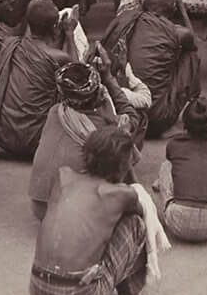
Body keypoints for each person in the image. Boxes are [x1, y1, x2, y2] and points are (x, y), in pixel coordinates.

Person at [30, 126, 152, 295]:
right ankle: (126, 292)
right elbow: (141, 210)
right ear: (123, 165)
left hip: (37, 290)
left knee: (99, 222)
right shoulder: (119, 194)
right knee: (135, 224)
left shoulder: (63, 176)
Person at [29, 58, 137, 219]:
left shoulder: (54, 112)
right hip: (75, 214)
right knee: (122, 143)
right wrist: (108, 77)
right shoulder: (105, 129)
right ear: (98, 93)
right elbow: (132, 118)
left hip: (40, 208)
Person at [0, 0, 79, 159]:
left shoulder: (10, 44)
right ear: (56, 27)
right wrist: (69, 34)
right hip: (37, 142)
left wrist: (35, 5)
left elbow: (34, 40)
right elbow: (79, 79)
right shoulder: (60, 57)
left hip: (4, 138)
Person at [102, 0, 200, 138]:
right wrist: (182, 9)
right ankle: (195, 109)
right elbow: (192, 41)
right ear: (172, 8)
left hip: (119, 109)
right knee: (190, 55)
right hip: (157, 119)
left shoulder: (124, 19)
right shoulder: (178, 33)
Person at [154, 98, 207, 243]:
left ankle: (165, 192)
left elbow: (174, 164)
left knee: (167, 166)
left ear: (185, 124)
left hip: (176, 221)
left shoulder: (174, 144)